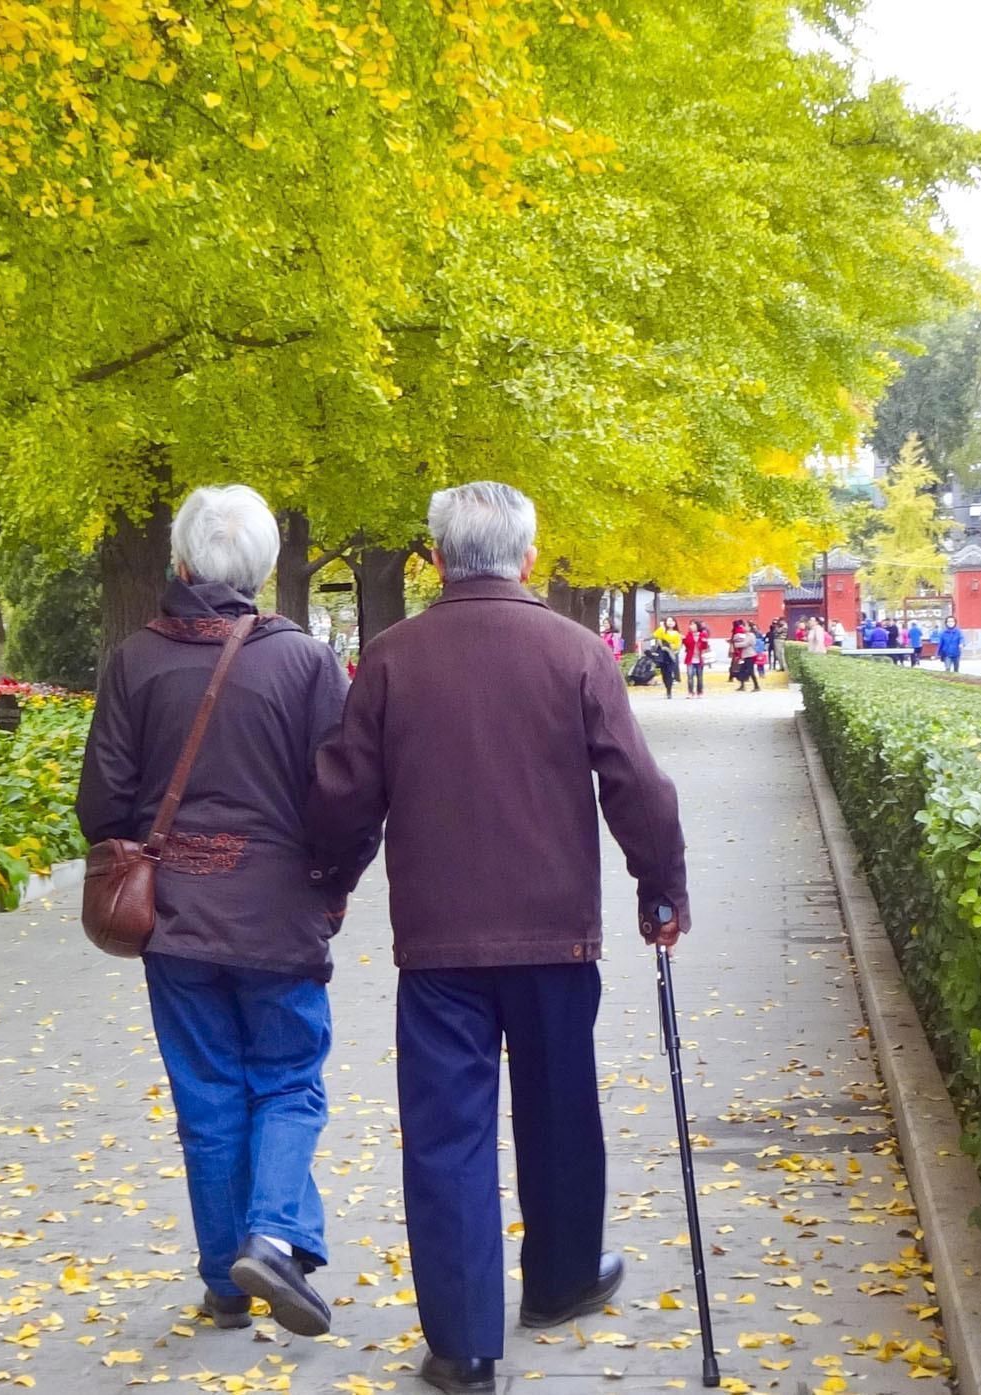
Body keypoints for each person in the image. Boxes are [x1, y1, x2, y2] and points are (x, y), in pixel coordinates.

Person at [306, 481, 691, 1395]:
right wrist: (660, 887)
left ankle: (467, 1345)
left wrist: (330, 880)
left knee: (447, 1137)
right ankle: (559, 1282)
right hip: (557, 937)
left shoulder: (393, 659)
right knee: (560, 1111)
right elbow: (637, 784)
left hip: (438, 947)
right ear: (526, 556)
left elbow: (342, 794)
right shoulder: (575, 652)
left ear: (435, 559)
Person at [77, 485, 351, 1338]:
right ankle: (272, 1237)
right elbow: (342, 801)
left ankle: (226, 1284)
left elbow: (102, 801)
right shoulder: (306, 663)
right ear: (264, 568)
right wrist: (331, 881)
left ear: (182, 562)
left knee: (207, 1096)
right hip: (277, 915)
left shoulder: (134, 660)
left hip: (176, 920)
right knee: (288, 1082)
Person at [682, 621, 709, 697]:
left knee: (699, 677)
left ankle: (700, 692)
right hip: (690, 659)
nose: (691, 626)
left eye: (693, 625)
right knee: (690, 676)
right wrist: (683, 640)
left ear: (697, 626)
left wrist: (705, 642)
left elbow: (705, 647)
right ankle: (690, 692)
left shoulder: (702, 635)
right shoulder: (688, 635)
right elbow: (687, 646)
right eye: (690, 625)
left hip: (699, 659)